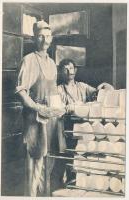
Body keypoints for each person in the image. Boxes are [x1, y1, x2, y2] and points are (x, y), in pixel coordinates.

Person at [15, 20, 65, 196]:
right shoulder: (28, 61)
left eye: (48, 36)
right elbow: (21, 92)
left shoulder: (51, 63)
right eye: (41, 36)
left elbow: (53, 91)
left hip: (51, 119)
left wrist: (60, 106)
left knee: (48, 162)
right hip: (34, 120)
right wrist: (38, 108)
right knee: (34, 164)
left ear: (52, 38)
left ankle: (43, 195)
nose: (45, 40)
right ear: (34, 38)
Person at [57, 58, 113, 185]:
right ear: (61, 71)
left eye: (71, 68)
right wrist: (67, 108)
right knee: (70, 154)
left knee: (85, 153)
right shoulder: (59, 89)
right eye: (65, 69)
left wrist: (104, 86)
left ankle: (82, 181)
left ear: (75, 70)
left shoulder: (82, 86)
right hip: (68, 128)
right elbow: (57, 108)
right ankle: (69, 180)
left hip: (85, 127)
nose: (68, 71)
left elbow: (99, 93)